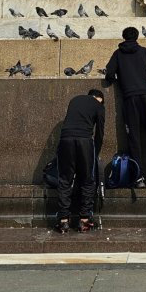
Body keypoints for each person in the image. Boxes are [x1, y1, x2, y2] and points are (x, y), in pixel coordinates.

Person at [103, 26, 146, 189]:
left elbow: (109, 74)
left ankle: (138, 176)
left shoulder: (118, 54)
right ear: (137, 36)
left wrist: (121, 76)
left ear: (123, 37)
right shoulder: (145, 52)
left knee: (134, 138)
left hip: (129, 98)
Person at [54, 88, 106, 233]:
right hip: (84, 140)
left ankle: (63, 221)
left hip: (66, 139)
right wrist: (94, 153)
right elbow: (100, 133)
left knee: (65, 179)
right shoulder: (99, 106)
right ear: (98, 99)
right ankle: (84, 220)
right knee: (87, 179)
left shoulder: (75, 100)